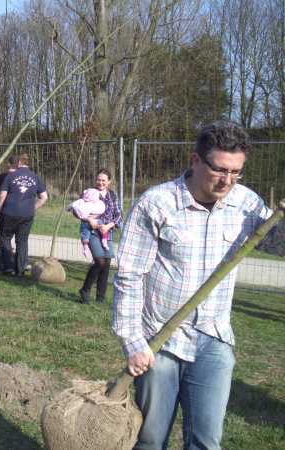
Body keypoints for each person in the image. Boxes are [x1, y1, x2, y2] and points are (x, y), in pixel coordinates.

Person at [113, 121, 272, 450]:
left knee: (206, 441)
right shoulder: (157, 205)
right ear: (196, 160)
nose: (227, 180)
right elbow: (129, 276)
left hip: (214, 339)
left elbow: (275, 239)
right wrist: (133, 342)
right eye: (219, 169)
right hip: (160, 343)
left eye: (236, 172)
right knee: (151, 438)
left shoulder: (247, 203)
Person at [0, 153, 48, 276]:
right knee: (22, 241)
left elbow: (2, 195)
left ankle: (8, 268)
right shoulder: (36, 177)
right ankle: (20, 270)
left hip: (9, 212)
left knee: (6, 238)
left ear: (19, 163)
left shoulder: (10, 176)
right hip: (27, 215)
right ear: (28, 163)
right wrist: (33, 207)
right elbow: (44, 197)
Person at [78, 169, 121, 304]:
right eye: (98, 179)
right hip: (91, 232)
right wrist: (90, 220)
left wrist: (109, 226)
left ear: (109, 182)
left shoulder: (112, 195)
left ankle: (100, 297)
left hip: (107, 233)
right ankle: (85, 290)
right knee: (99, 261)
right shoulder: (89, 193)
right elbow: (78, 210)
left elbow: (118, 214)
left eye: (103, 180)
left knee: (107, 263)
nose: (100, 182)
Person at [68, 187, 108, 258]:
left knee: (85, 234)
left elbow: (73, 205)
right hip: (92, 221)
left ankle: (86, 248)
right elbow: (102, 209)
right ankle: (104, 241)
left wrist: (69, 208)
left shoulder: (82, 201)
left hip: (86, 222)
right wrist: (91, 218)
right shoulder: (97, 202)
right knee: (102, 227)